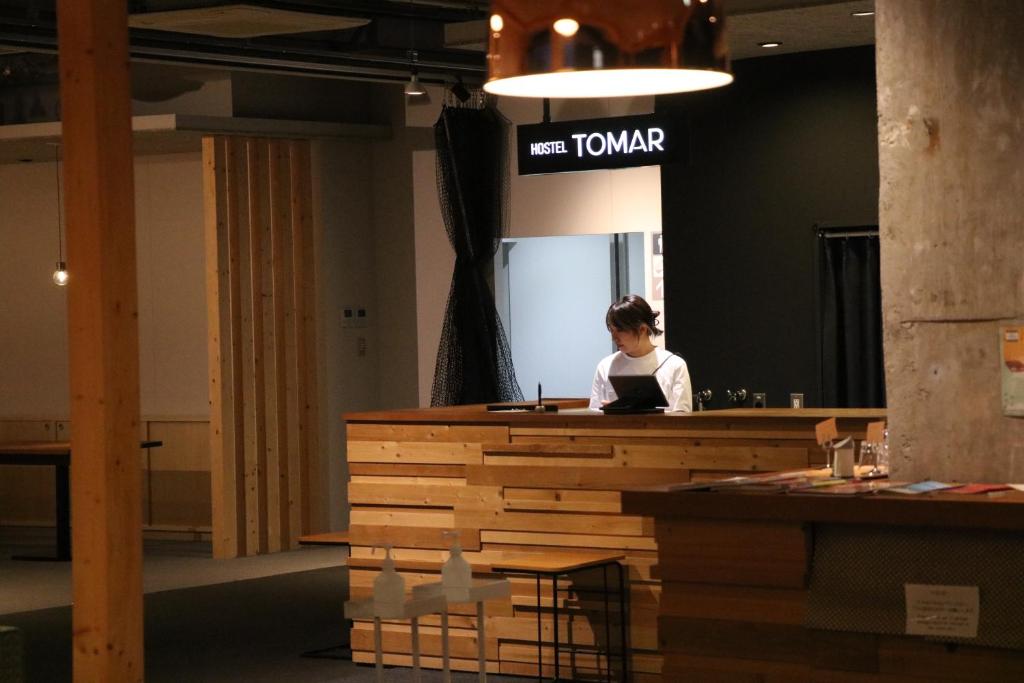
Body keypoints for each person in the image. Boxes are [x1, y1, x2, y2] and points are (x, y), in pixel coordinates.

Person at [589, 295, 692, 412]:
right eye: (612, 330)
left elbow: (682, 417)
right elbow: (594, 413)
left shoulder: (674, 365)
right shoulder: (605, 366)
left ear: (642, 329)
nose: (614, 337)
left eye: (620, 330)